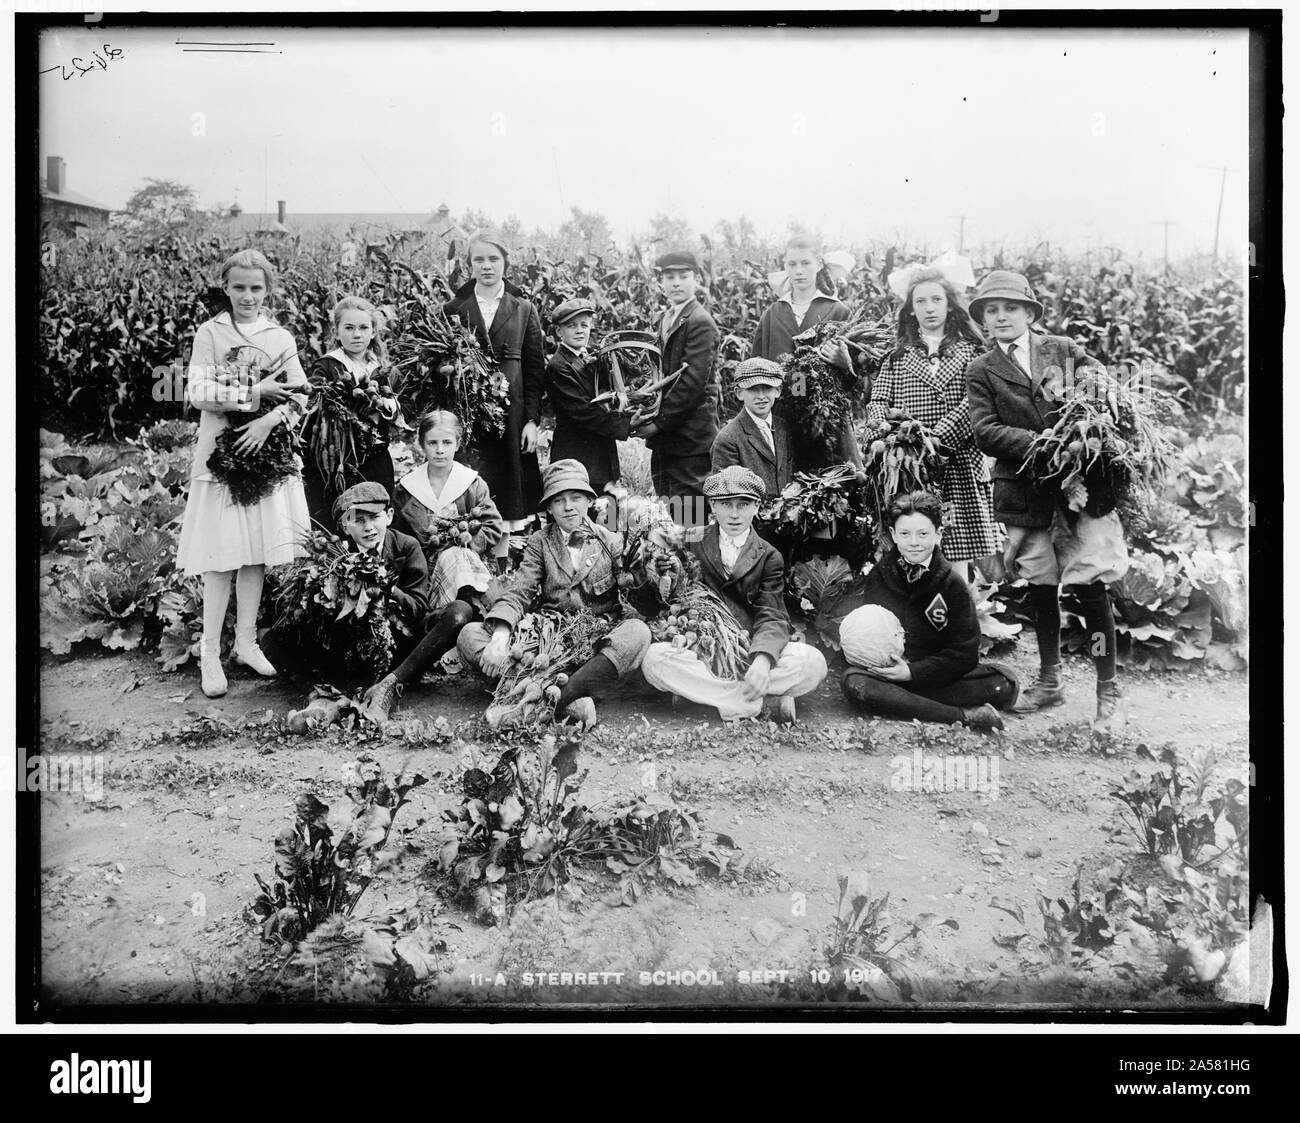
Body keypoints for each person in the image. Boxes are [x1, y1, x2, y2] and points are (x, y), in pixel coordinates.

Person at [965, 270, 1129, 733]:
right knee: (1040, 590)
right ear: (982, 319)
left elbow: (1102, 385)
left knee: (1091, 589)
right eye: (991, 311)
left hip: (1080, 491)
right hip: (1025, 490)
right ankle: (1050, 678)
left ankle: (1108, 689)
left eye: (1010, 308)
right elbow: (985, 430)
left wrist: (1088, 418)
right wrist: (1044, 443)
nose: (1000, 317)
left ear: (1030, 314)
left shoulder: (1062, 350)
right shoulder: (980, 370)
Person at [175, 248, 310, 699]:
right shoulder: (210, 333)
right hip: (222, 454)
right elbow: (197, 391)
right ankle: (210, 651)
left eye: (256, 288)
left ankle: (247, 642)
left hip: (267, 454)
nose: (247, 296)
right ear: (226, 288)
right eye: (239, 288)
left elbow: (300, 394)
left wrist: (272, 419)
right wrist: (255, 392)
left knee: (255, 551)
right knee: (221, 556)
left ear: (267, 290)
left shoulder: (280, 336)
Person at [455, 459, 652, 728]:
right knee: (470, 636)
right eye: (559, 500)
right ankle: (571, 696)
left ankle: (549, 699)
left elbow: (641, 600)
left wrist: (640, 573)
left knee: (637, 632)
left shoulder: (611, 541)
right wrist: (500, 636)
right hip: (548, 639)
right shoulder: (540, 542)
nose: (569, 507)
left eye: (576, 498)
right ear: (548, 507)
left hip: (595, 644)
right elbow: (520, 590)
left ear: (589, 502)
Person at [640, 466, 828, 723]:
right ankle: (750, 700)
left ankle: (710, 695)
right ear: (712, 506)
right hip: (703, 647)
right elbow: (673, 592)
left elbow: (772, 614)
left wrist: (762, 661)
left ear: (757, 507)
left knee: (813, 663)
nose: (735, 514)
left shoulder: (769, 555)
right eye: (726, 504)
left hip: (748, 647)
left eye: (744, 504)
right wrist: (669, 574)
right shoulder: (693, 538)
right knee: (654, 660)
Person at [261, 483, 471, 713]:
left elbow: (418, 609)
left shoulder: (406, 546)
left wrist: (385, 586)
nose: (368, 527)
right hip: (347, 650)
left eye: (374, 517)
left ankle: (390, 684)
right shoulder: (333, 556)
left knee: (459, 612)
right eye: (358, 521)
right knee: (270, 638)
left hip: (397, 649)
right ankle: (320, 696)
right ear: (344, 525)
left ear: (389, 516)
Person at [840, 491, 1018, 730]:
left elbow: (965, 653)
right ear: (893, 535)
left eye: (923, 534)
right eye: (904, 534)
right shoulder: (879, 577)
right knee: (854, 682)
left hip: (935, 675)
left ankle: (906, 703)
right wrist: (888, 665)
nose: (914, 542)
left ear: (938, 534)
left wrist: (913, 672)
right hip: (890, 673)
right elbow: (868, 632)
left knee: (1004, 681)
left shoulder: (953, 584)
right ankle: (963, 716)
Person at [867, 266, 999, 573]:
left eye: (936, 300)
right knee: (919, 538)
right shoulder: (897, 358)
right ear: (911, 310)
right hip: (911, 466)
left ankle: (962, 611)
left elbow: (976, 402)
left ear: (949, 304)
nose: (929, 308)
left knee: (958, 543)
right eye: (921, 301)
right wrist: (882, 433)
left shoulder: (972, 354)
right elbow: (878, 401)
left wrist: (938, 438)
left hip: (958, 460)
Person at [443, 232, 545, 559]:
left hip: (512, 415)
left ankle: (502, 561)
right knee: (473, 480)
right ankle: (471, 558)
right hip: (469, 412)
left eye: (493, 259)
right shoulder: (454, 309)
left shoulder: (523, 309)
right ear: (469, 265)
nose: (486, 266)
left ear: (505, 263)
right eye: (479, 260)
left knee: (508, 483)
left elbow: (533, 370)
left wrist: (531, 420)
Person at [630, 250, 719, 528]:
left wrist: (658, 423)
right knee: (669, 506)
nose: (676, 283)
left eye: (683, 276)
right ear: (660, 282)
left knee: (690, 512)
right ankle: (678, 564)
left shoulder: (700, 321)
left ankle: (694, 568)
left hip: (691, 437)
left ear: (696, 280)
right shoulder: (665, 319)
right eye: (670, 277)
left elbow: (692, 384)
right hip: (669, 439)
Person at [390, 409, 505, 611]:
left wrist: (472, 540)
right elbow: (398, 537)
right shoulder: (406, 489)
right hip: (425, 571)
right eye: (432, 443)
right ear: (422, 445)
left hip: (468, 564)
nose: (440, 450)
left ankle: (473, 611)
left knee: (456, 556)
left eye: (447, 443)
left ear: (458, 444)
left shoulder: (471, 484)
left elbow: (492, 525)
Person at [300, 295, 399, 529]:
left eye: (364, 328)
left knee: (374, 509)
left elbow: (397, 407)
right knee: (340, 515)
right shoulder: (327, 365)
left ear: (373, 332)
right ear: (336, 332)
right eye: (349, 328)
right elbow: (312, 402)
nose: (357, 334)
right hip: (337, 457)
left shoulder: (380, 368)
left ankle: (373, 558)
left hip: (375, 454)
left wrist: (387, 406)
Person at [544, 298, 629, 494]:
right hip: (576, 452)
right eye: (571, 326)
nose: (580, 330)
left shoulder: (592, 357)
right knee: (579, 504)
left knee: (606, 511)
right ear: (559, 332)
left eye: (584, 325)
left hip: (600, 449)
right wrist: (628, 424)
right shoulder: (558, 366)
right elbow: (583, 412)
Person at [750, 235, 852, 363]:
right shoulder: (771, 315)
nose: (798, 271)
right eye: (792, 264)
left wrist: (844, 363)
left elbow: (857, 371)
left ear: (819, 264)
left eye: (806, 263)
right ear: (785, 265)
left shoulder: (839, 312)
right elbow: (754, 368)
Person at [710, 357, 793, 499]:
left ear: (778, 391)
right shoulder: (728, 439)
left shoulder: (784, 428)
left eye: (767, 388)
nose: (761, 396)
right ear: (739, 393)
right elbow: (726, 497)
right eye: (752, 389)